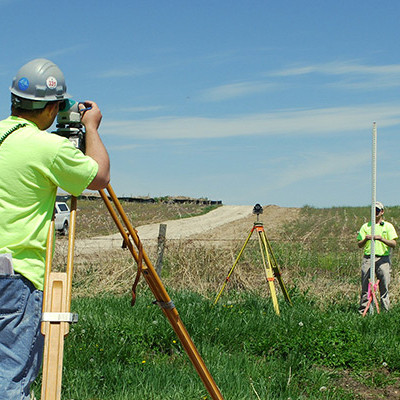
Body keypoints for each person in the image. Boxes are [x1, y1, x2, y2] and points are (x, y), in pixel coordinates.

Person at [0, 58, 110, 399]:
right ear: (52, 108)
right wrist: (90, 128)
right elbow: (100, 177)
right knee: (10, 383)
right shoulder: (48, 148)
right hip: (15, 276)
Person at [357, 201, 397, 314]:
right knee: (365, 285)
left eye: (377, 210)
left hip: (383, 259)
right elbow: (359, 244)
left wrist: (381, 239)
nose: (375, 212)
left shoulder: (388, 226)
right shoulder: (366, 226)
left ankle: (385, 311)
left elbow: (393, 244)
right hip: (368, 258)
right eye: (373, 210)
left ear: (382, 212)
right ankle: (363, 310)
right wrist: (366, 239)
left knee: (384, 285)